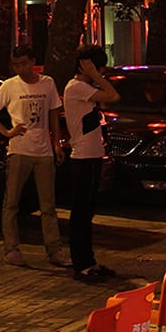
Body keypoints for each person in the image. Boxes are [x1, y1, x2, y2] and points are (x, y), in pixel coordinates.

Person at [0, 44, 68, 268]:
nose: (20, 68)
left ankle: (54, 250)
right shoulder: (10, 86)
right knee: (11, 202)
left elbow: (53, 113)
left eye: (24, 63)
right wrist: (6, 132)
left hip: (43, 151)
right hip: (19, 150)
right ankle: (11, 249)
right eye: (16, 64)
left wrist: (56, 143)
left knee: (48, 204)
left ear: (33, 61)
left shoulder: (47, 83)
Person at [63, 44, 120, 282]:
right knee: (81, 212)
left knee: (87, 211)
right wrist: (97, 76)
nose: (101, 73)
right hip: (83, 158)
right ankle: (82, 264)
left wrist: (96, 77)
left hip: (92, 156)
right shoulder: (76, 87)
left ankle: (89, 261)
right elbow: (114, 96)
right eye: (97, 68)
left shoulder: (85, 88)